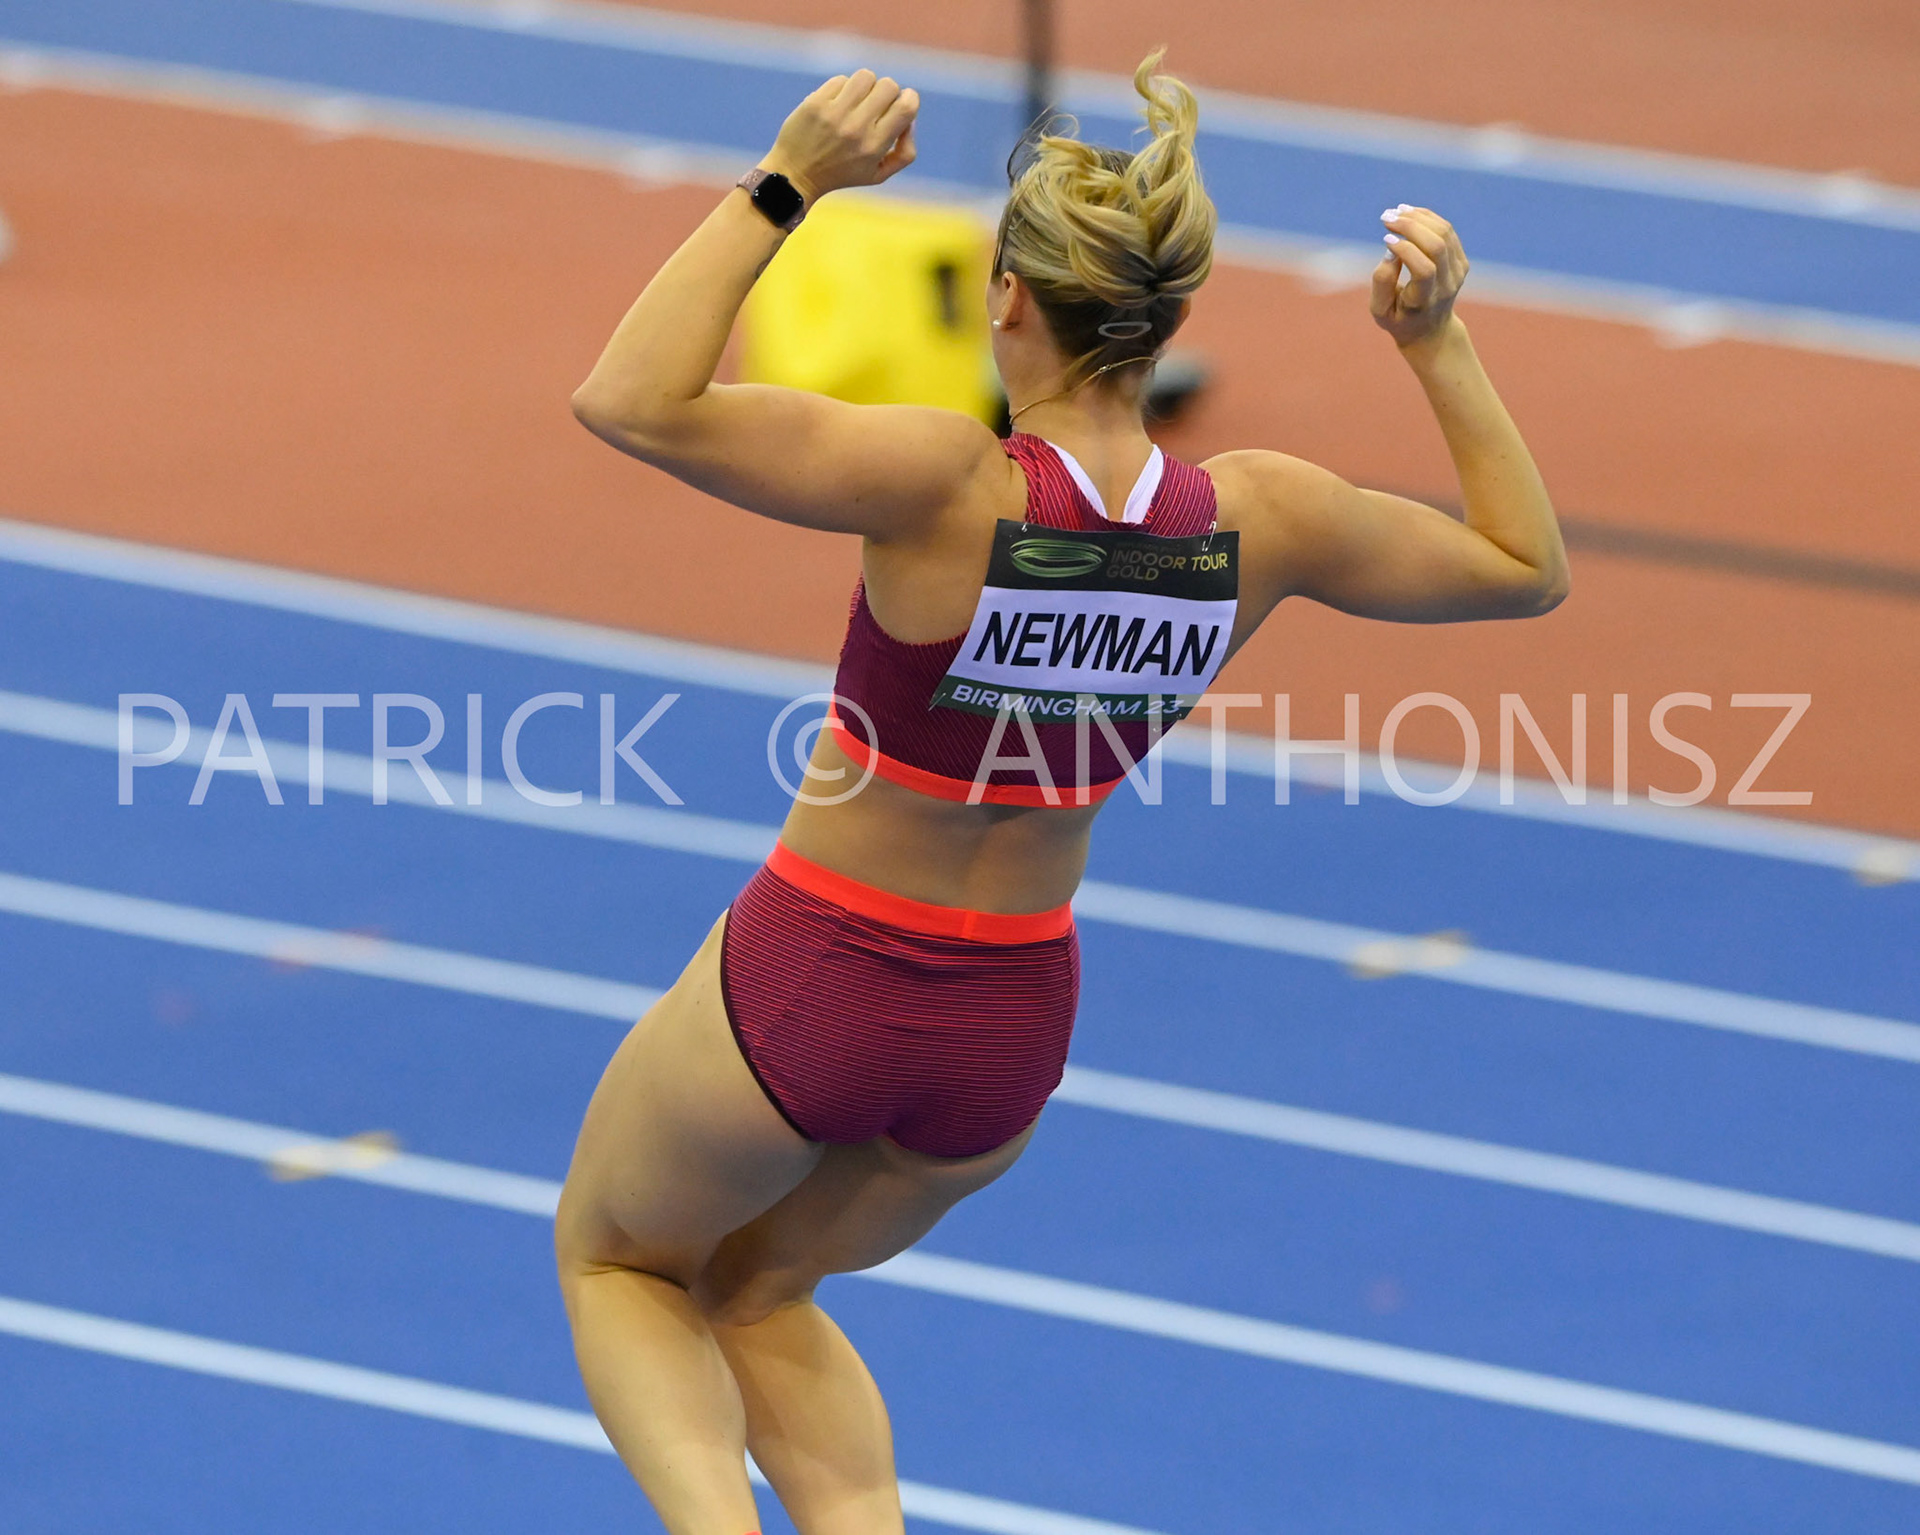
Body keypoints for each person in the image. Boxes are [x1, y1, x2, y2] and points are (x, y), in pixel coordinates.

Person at [558, 51, 1566, 1535]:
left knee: (623, 1261)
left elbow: (628, 400)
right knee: (763, 1286)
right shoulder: (1257, 520)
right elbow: (1522, 569)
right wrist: (1435, 344)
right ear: (1162, 326)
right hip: (1008, 1028)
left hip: (821, 968)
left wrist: (790, 180)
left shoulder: (943, 482)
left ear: (1011, 304)